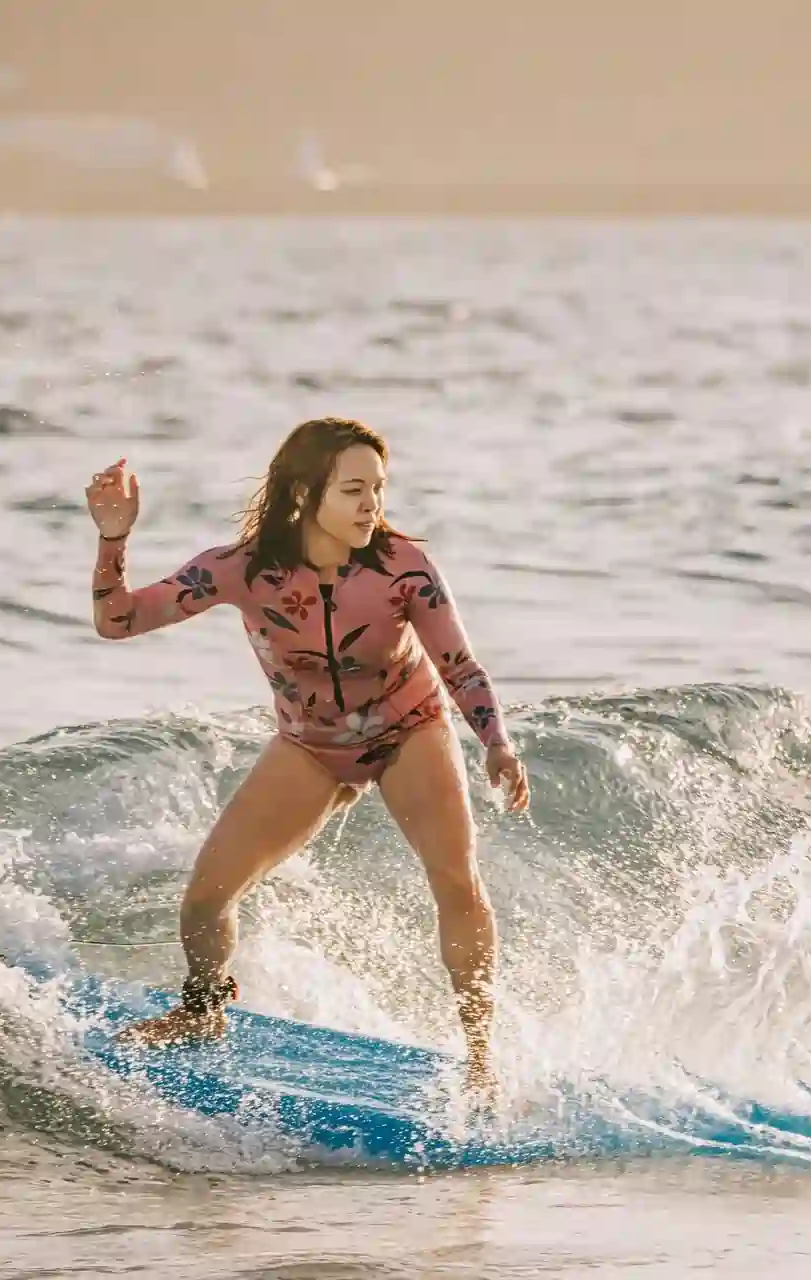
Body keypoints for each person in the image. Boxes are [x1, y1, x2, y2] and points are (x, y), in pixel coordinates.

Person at [82, 417, 527, 1098]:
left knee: (457, 884)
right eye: (353, 490)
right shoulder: (243, 570)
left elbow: (459, 665)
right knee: (205, 900)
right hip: (311, 748)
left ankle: (480, 1060)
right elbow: (117, 622)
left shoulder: (401, 568)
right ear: (304, 494)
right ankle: (203, 1011)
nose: (371, 505)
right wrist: (114, 537)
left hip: (407, 731)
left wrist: (496, 743)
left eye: (377, 489)